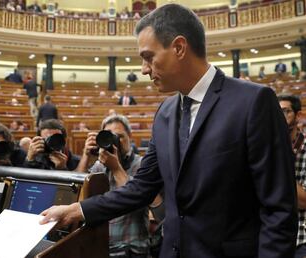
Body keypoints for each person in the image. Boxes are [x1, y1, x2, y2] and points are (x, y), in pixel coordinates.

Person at [40, 4, 297, 258]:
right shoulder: (165, 112)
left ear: (179, 47)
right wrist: (77, 210)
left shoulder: (253, 102)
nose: (143, 69)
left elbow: (278, 210)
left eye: (148, 57)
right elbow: (141, 187)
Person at [75, 115, 150, 257]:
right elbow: (76, 193)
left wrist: (116, 168)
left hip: (131, 248)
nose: (115, 142)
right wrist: (86, 157)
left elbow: (138, 200)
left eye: (119, 136)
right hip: (101, 246)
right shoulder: (99, 165)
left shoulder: (142, 165)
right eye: (110, 136)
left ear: (130, 136)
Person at [277, 95, 306, 258]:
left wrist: (281, 164)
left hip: (301, 239)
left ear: (299, 115)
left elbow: (303, 201)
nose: (280, 116)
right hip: (271, 237)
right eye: (276, 112)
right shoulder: (266, 149)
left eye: (285, 111)